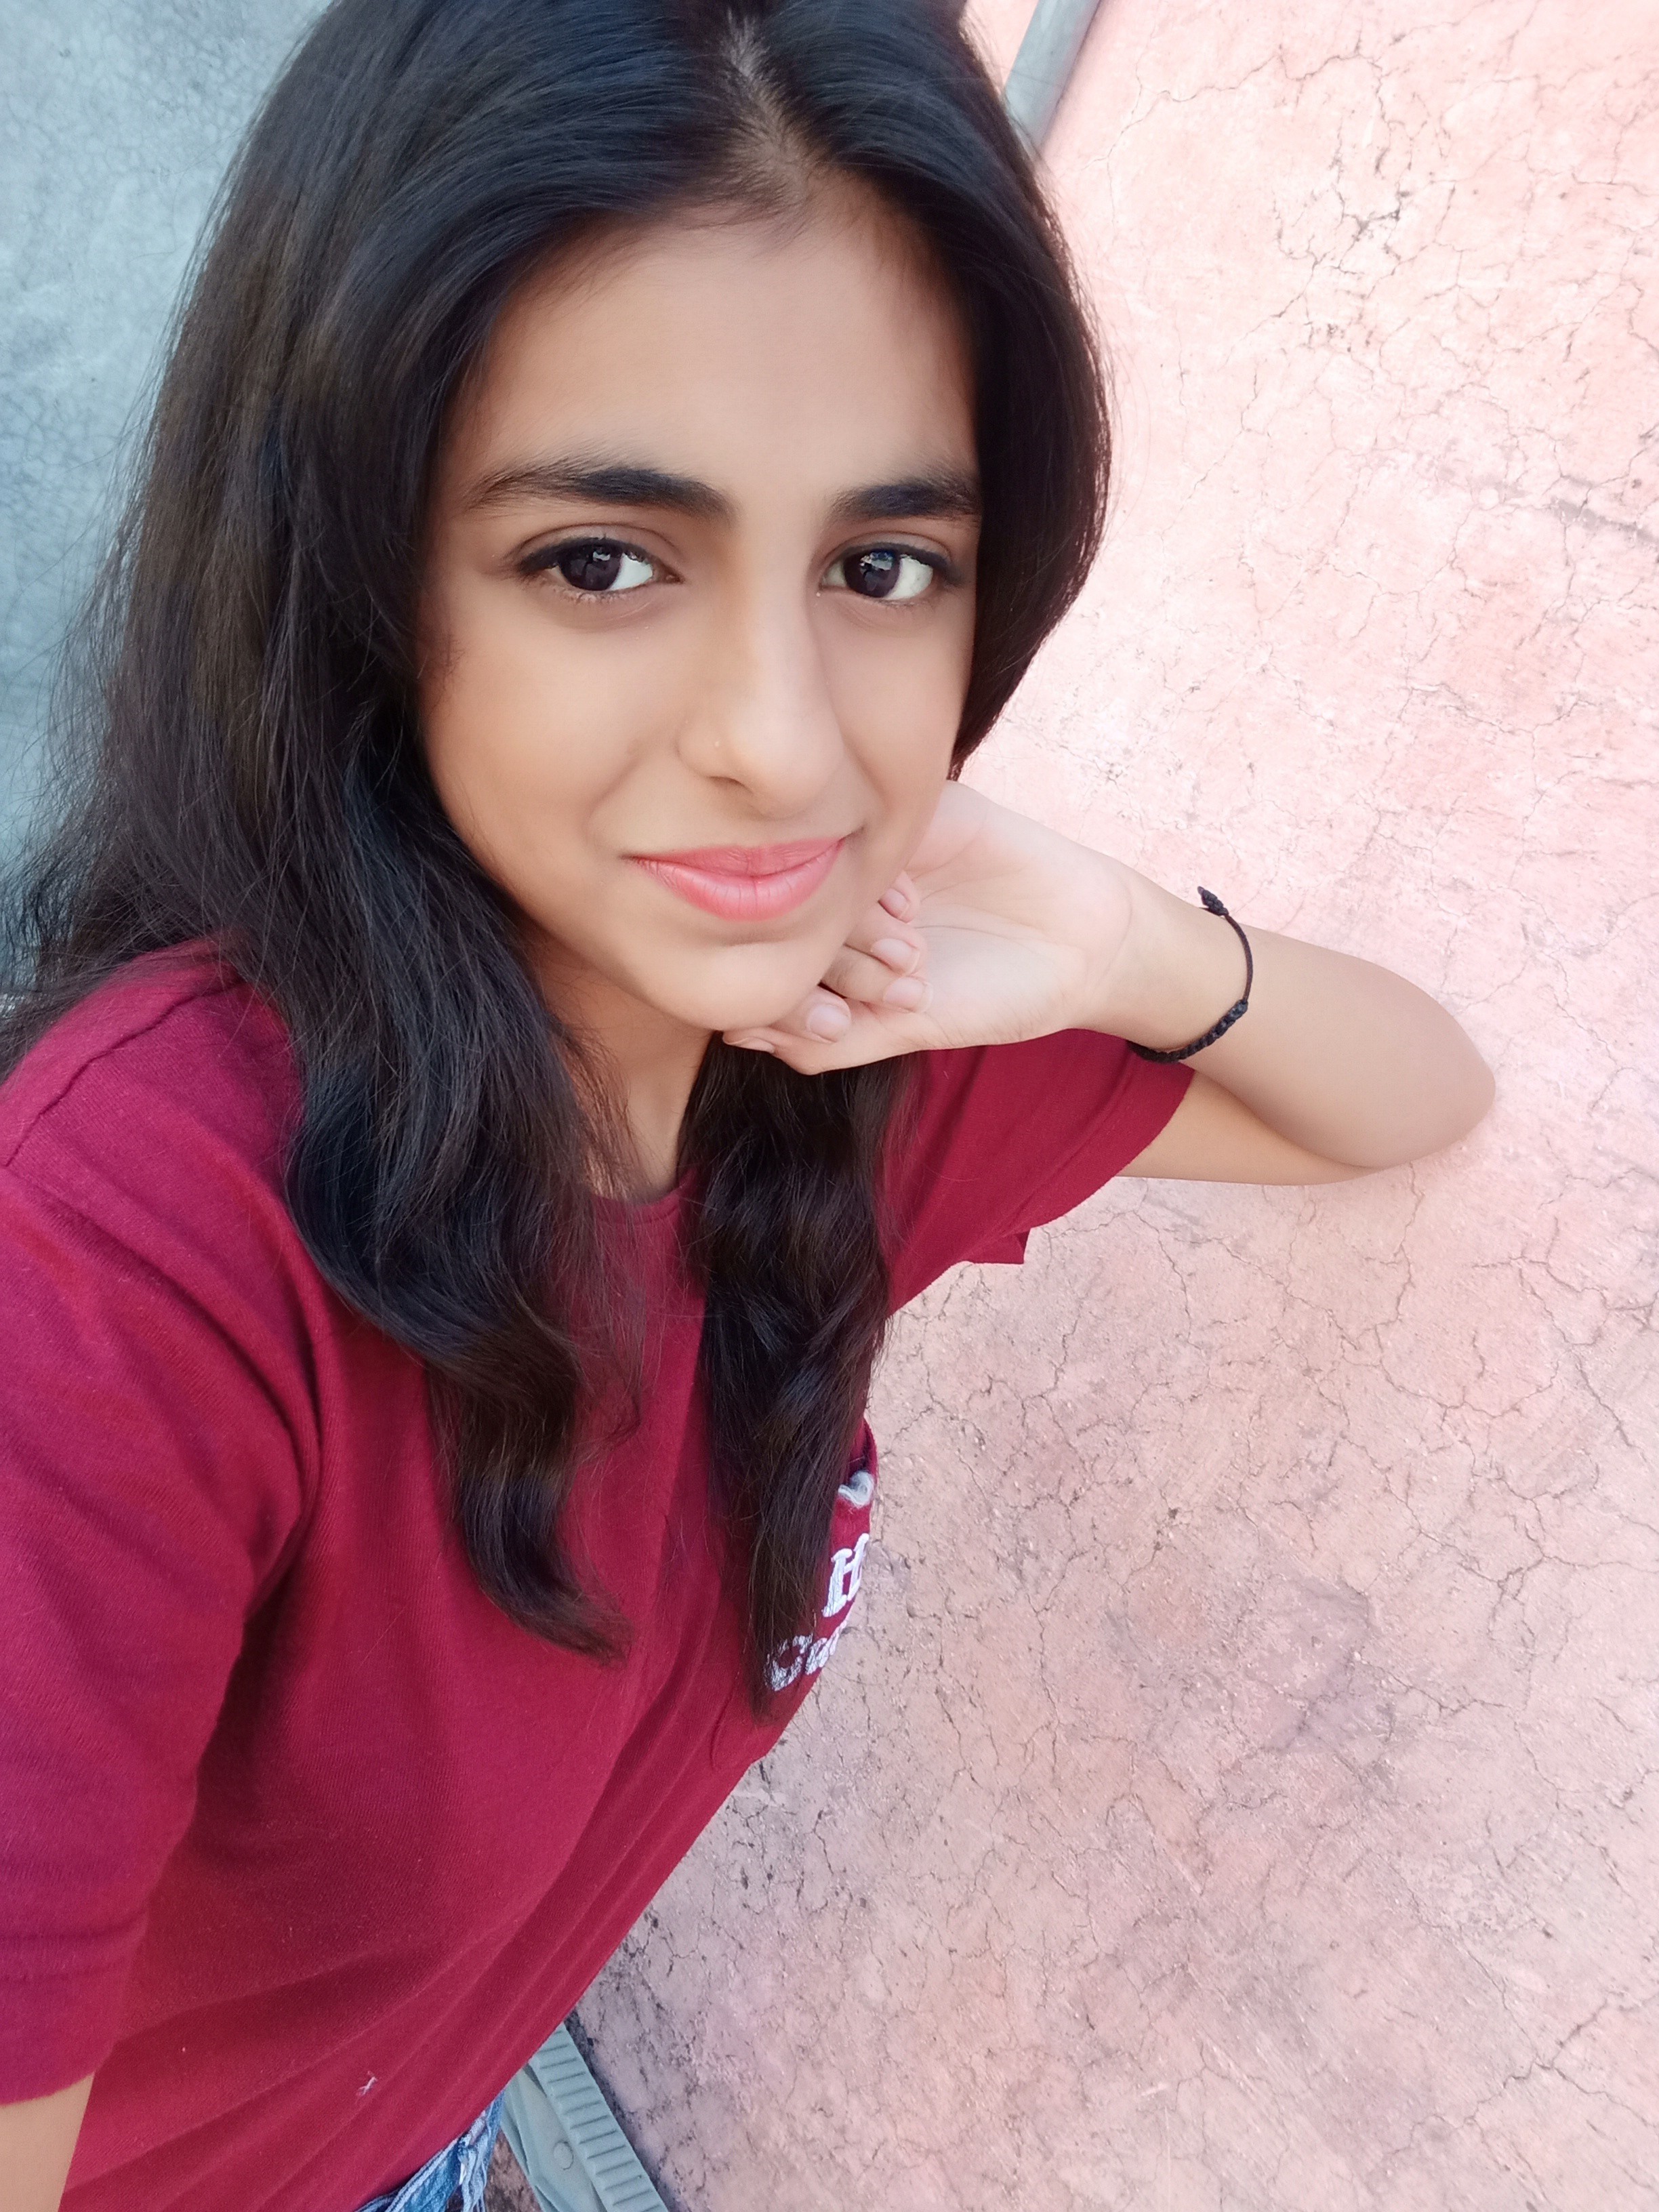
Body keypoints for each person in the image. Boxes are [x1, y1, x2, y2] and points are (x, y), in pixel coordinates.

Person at [0, 1, 1494, 2207]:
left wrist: (1118, 939)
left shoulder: (835, 1065)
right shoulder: (129, 1247)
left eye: (884, 566)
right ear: (361, 570)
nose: (782, 743)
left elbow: (1408, 1093)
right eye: (604, 559)